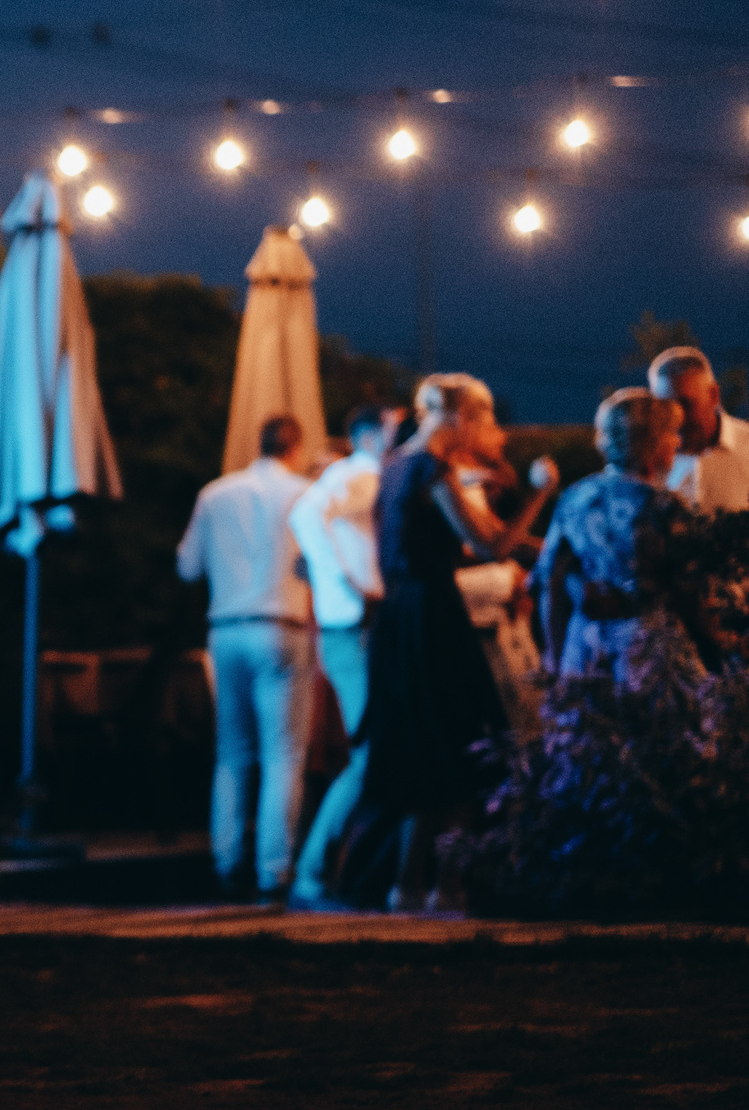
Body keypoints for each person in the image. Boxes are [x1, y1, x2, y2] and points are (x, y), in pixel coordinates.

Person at [338, 374, 556, 911]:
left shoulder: (392, 467)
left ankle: (409, 885)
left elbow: (432, 542)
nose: (489, 430)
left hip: (397, 619)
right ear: (458, 416)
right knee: (467, 744)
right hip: (433, 618)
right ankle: (444, 885)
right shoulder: (432, 470)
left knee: (422, 751)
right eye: (485, 418)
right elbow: (491, 545)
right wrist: (542, 493)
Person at [178, 413, 315, 900]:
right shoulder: (305, 494)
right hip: (282, 625)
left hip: (226, 629)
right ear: (295, 448)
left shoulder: (214, 494)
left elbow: (187, 565)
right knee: (283, 753)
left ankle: (227, 859)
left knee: (232, 751)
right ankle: (274, 869)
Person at [285, 403, 400, 907]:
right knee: (372, 750)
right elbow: (305, 513)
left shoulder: (373, 475)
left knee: (378, 749)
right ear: (372, 437)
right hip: (352, 627)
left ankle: (349, 872)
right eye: (398, 427)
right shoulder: (362, 474)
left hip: (357, 625)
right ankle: (312, 874)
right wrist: (347, 587)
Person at [534, 388, 704, 695]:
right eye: (671, 434)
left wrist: (555, 657)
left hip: (586, 648)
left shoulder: (575, 497)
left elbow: (551, 581)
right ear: (651, 441)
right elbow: (689, 592)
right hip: (649, 651)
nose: (678, 443)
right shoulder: (664, 506)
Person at [647, 345, 749, 514]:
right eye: (666, 407)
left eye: (686, 404)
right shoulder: (647, 458)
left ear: (714, 395)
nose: (676, 417)